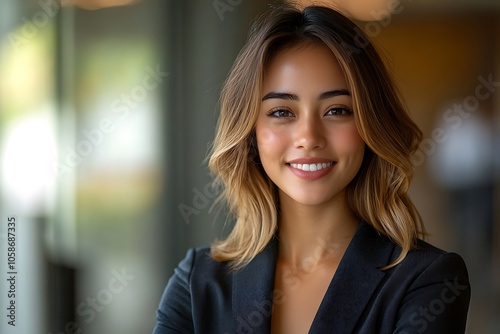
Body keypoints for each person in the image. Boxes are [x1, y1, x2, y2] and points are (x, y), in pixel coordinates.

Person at [153, 5, 470, 334]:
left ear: (370, 125)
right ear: (251, 132)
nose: (308, 138)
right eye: (281, 112)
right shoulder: (197, 283)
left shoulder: (428, 280)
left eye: (336, 110)